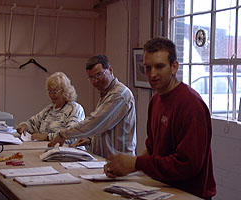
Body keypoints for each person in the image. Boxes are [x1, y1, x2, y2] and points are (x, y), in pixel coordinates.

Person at [104, 37, 216, 200]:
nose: (152, 74)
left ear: (174, 67)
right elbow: (152, 148)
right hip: (162, 190)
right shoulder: (155, 101)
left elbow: (187, 165)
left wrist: (135, 163)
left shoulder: (191, 104)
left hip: (189, 195)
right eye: (147, 68)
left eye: (159, 66)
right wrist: (127, 167)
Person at [48, 55, 137, 159]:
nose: (95, 81)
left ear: (110, 70)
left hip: (120, 162)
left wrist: (63, 134)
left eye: (99, 75)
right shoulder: (105, 93)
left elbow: (96, 122)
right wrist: (90, 140)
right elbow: (105, 127)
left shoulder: (120, 94)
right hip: (104, 161)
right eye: (91, 77)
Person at [16, 72, 85, 144]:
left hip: (68, 151)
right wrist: (24, 126)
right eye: (49, 91)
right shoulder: (49, 109)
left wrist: (47, 137)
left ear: (65, 91)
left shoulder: (75, 109)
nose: (51, 95)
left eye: (55, 92)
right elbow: (33, 123)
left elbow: (71, 136)